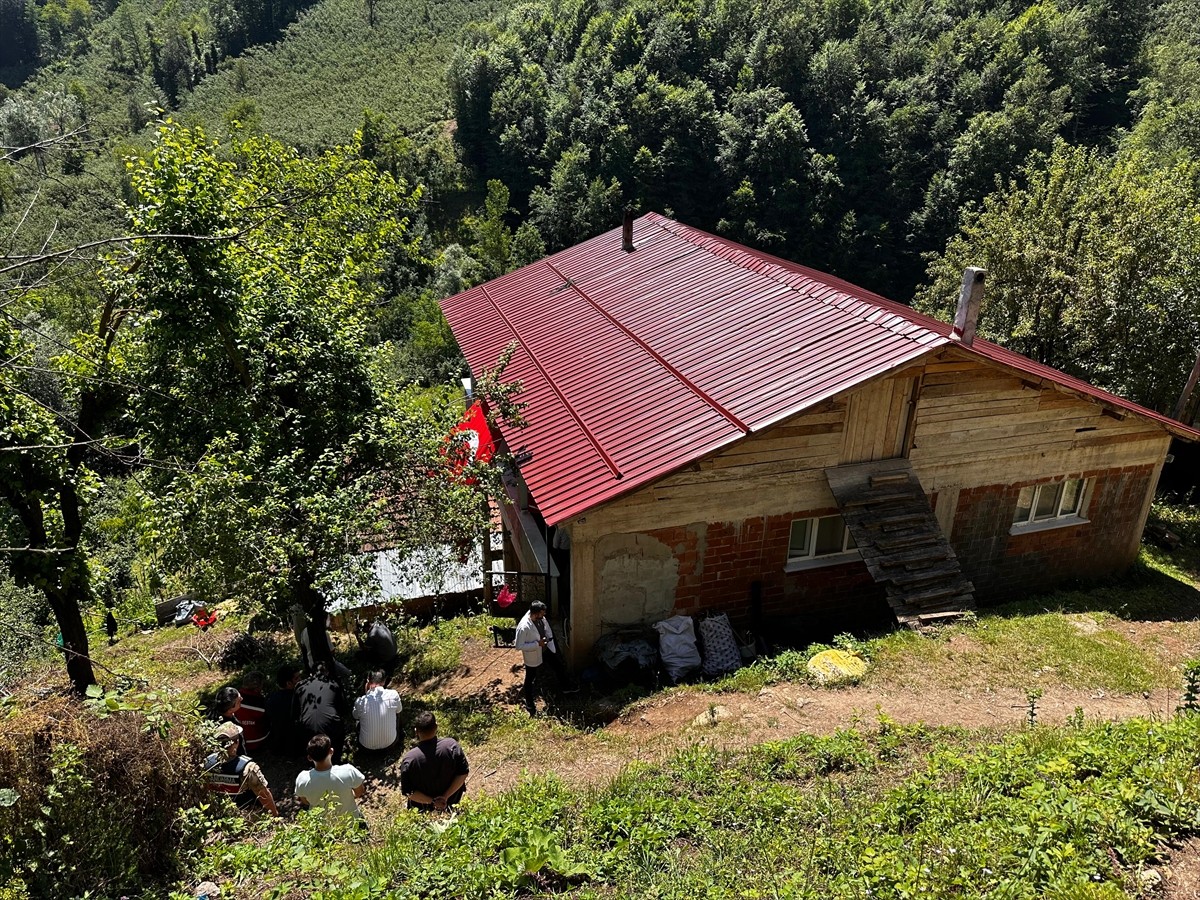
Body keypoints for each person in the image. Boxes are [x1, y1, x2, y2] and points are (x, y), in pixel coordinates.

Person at [202, 722, 279, 816]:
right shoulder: (248, 768)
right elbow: (263, 795)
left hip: (217, 813)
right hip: (243, 815)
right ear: (236, 742)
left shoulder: (206, 763)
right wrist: (275, 815)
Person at [399, 711, 469, 812]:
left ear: (416, 731)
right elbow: (463, 773)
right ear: (436, 727)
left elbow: (408, 792)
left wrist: (433, 801)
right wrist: (445, 797)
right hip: (453, 801)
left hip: (423, 809)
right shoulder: (451, 745)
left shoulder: (410, 759)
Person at [514, 600, 575, 715]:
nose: (544, 616)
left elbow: (546, 629)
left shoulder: (540, 618)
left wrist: (547, 640)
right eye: (541, 614)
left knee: (558, 666)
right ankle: (529, 703)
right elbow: (518, 646)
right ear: (535, 613)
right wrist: (537, 644)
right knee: (530, 679)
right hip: (534, 654)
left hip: (546, 649)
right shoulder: (523, 627)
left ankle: (566, 688)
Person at [294, 733, 367, 821]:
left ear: (309, 758)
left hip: (323, 828)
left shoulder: (302, 779)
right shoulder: (348, 771)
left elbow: (305, 801)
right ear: (331, 751)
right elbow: (360, 792)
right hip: (350, 822)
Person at [293, 662, 349, 763]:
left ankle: (312, 760)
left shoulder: (300, 686)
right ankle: (335, 759)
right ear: (327, 673)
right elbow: (343, 710)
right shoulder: (333, 684)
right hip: (330, 728)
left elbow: (294, 714)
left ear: (311, 673)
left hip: (307, 730)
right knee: (340, 727)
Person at [353, 670, 402, 753]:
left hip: (366, 748)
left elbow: (355, 716)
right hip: (390, 744)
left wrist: (366, 692)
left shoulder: (361, 701)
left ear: (368, 681)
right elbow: (399, 710)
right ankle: (398, 732)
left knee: (358, 719)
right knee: (397, 712)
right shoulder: (393, 695)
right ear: (384, 681)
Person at [264, 663, 303, 756]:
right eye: (297, 678)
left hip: (276, 743)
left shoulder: (270, 698)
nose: (300, 680)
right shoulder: (298, 698)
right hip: (295, 745)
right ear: (288, 683)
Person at [237, 672, 270, 754]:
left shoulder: (233, 699)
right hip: (257, 741)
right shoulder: (261, 703)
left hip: (238, 742)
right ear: (257, 688)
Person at [212, 686, 247, 756]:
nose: (242, 699)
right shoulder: (233, 731)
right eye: (239, 701)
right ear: (230, 709)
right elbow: (240, 750)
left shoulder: (212, 713)